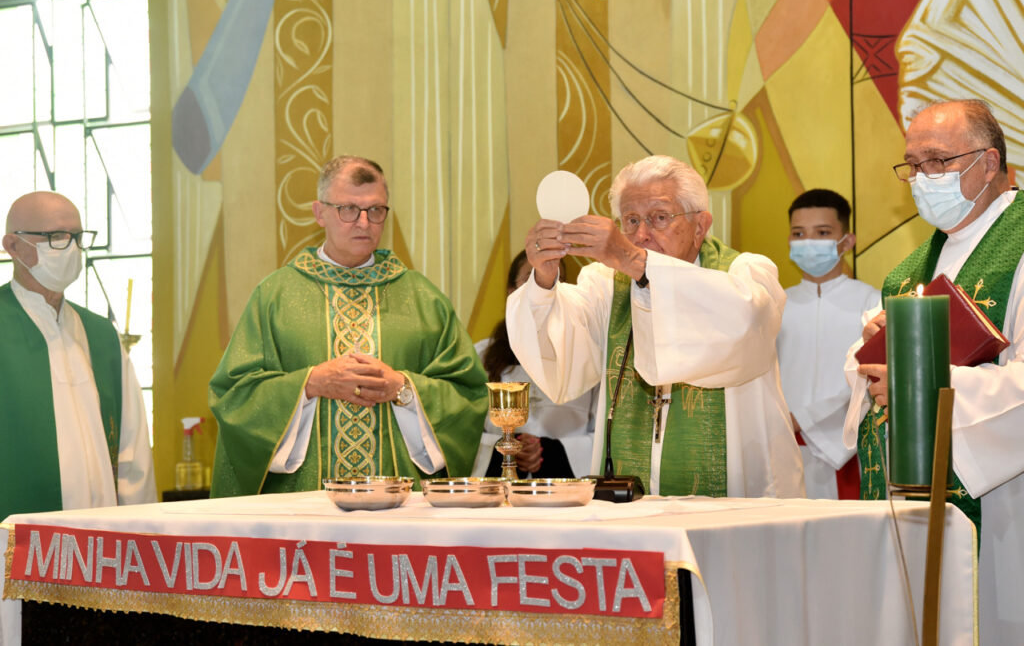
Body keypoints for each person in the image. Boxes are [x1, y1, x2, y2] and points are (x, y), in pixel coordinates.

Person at [507, 155, 804, 497]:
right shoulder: (605, 283)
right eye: (631, 220)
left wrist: (634, 260)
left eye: (659, 218)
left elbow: (746, 320)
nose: (642, 234)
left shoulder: (746, 272)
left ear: (700, 225)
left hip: (736, 499)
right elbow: (564, 354)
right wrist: (544, 279)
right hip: (629, 498)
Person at [842, 99, 1024, 643]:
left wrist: (924, 383)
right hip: (916, 498)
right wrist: (874, 359)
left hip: (1002, 503)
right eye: (913, 166)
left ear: (988, 164)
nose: (923, 179)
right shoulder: (912, 268)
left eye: (939, 162)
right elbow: (867, 374)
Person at [209, 156, 487, 495]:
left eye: (376, 210)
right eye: (348, 209)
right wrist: (310, 384)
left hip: (400, 508)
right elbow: (234, 396)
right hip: (303, 505)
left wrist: (403, 389)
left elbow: (468, 395)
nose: (364, 223)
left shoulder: (423, 300)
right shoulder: (275, 296)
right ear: (319, 212)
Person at [0, 192, 156, 521]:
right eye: (56, 237)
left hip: (101, 547)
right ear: (13, 246)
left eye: (77, 237)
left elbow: (133, 451)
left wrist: (140, 533)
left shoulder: (101, 335)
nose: (71, 248)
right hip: (15, 547)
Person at [777, 189, 879, 499]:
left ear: (847, 242)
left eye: (822, 233)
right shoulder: (775, 305)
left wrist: (805, 419)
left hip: (847, 451)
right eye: (799, 233)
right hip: (782, 446)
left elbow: (867, 379)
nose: (809, 242)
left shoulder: (872, 304)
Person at [472, 250, 597, 479]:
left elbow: (601, 435)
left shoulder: (588, 355)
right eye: (532, 278)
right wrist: (509, 447)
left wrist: (552, 451)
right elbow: (465, 433)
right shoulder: (481, 356)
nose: (543, 288)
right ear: (512, 291)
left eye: (555, 280)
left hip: (567, 480)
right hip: (498, 479)